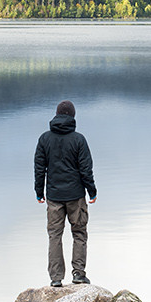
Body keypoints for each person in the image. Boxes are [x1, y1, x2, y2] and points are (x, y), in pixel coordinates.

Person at [34, 99, 96, 286]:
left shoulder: (45, 139)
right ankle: (78, 274)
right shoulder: (78, 139)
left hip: (54, 197)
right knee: (79, 233)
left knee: (55, 235)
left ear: (57, 115)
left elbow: (39, 168)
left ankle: (56, 278)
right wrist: (92, 191)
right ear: (73, 116)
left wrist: (39, 192)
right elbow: (86, 169)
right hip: (76, 196)